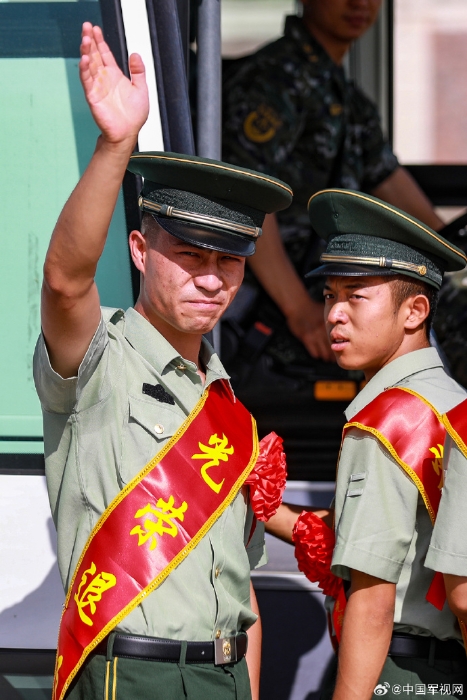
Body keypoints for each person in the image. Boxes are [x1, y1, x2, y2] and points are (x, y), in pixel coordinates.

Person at [32, 23, 292, 700]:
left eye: (228, 262)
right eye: (191, 257)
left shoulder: (227, 405)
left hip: (225, 673)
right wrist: (117, 144)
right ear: (142, 252)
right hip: (132, 673)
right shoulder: (101, 358)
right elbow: (65, 282)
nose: (212, 280)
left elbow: (241, 582)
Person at [266, 188, 467, 700]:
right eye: (330, 295)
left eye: (357, 295)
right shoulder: (452, 401)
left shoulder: (386, 421)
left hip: (402, 674)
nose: (334, 313)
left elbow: (374, 600)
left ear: (415, 311)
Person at [222, 0, 443, 362]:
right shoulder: (274, 80)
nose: (360, 4)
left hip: (329, 284)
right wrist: (300, 311)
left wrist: (456, 258)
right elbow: (246, 200)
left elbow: (393, 185)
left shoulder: (346, 96)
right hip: (269, 304)